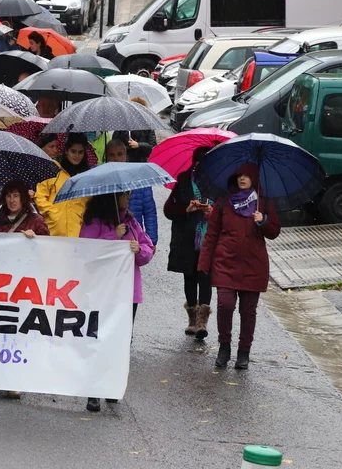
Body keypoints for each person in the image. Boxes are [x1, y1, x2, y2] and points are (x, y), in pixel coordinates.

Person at [198, 163, 280, 371]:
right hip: (225, 263)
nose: (242, 179)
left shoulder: (263, 203)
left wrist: (263, 221)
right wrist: (204, 262)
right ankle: (224, 346)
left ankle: (244, 352)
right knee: (225, 305)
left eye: (247, 175)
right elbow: (212, 234)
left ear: (254, 178)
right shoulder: (224, 202)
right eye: (239, 175)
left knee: (248, 311)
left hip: (254, 265)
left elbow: (274, 232)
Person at [79, 190, 154, 412]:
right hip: (102, 292)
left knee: (121, 341)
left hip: (128, 292)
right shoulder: (94, 221)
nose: (128, 197)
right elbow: (87, 251)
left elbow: (148, 249)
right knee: (100, 338)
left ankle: (111, 385)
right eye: (124, 194)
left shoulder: (131, 221)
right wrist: (114, 235)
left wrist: (139, 250)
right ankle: (94, 390)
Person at [164, 147, 214, 339]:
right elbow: (168, 210)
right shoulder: (184, 180)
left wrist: (212, 211)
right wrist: (186, 209)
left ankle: (202, 322)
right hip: (187, 239)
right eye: (198, 163)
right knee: (190, 277)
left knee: (205, 277)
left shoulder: (217, 183)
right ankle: (192, 320)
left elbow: (224, 210)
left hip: (208, 239)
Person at [104, 140, 158, 246]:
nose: (116, 159)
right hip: (110, 241)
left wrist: (151, 240)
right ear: (106, 157)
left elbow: (149, 212)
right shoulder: (102, 181)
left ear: (126, 155)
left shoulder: (139, 178)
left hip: (135, 239)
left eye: (120, 154)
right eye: (111, 155)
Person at [35, 133, 89, 237]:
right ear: (66, 151)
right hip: (53, 231)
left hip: (78, 232)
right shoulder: (53, 169)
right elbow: (40, 196)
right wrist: (52, 213)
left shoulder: (86, 176)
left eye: (80, 152)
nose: (77, 156)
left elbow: (89, 203)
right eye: (73, 151)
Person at [112, 98, 157, 162]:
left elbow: (153, 148)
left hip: (141, 163)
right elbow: (115, 144)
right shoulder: (122, 126)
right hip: (125, 162)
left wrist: (139, 145)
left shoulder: (148, 127)